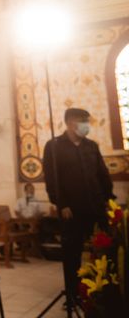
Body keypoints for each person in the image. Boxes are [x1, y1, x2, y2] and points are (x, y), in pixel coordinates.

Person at [42, 107, 114, 307]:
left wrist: (109, 198)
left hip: (97, 206)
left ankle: (104, 290)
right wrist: (61, 203)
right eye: (84, 120)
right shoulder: (54, 146)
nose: (87, 125)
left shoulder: (91, 146)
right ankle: (73, 295)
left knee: (105, 250)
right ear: (71, 122)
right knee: (72, 254)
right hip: (71, 210)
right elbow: (51, 178)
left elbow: (102, 174)